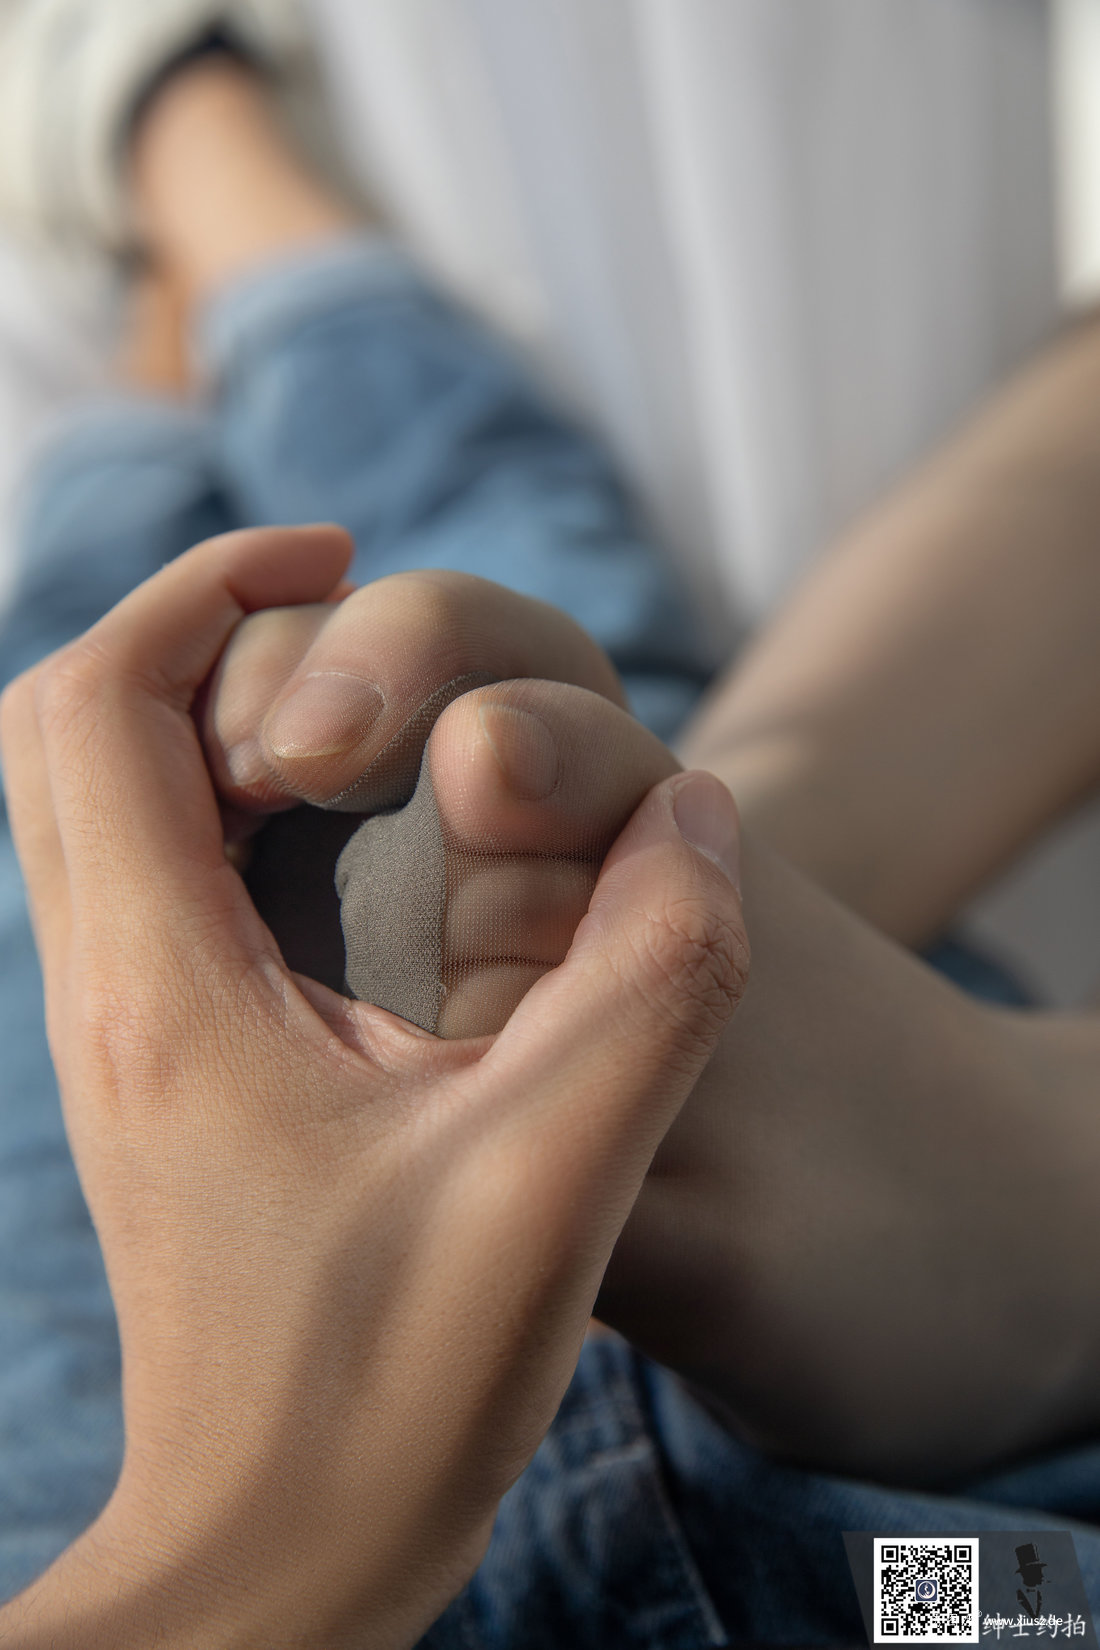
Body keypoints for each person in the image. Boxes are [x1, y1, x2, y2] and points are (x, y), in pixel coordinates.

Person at [3, 11, 1100, 1646]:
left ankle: (183, 230)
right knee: (396, 652)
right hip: (883, 1566)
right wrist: (262, 1543)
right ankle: (211, 182)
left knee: (179, 749)